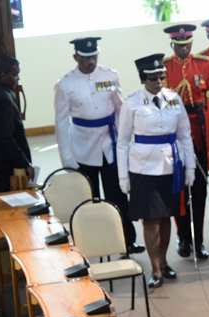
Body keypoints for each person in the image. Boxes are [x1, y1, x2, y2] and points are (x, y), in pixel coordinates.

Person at [54, 37, 144, 254]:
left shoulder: (109, 75)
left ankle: (127, 240)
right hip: (83, 149)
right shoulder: (65, 84)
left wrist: (127, 139)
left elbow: (119, 108)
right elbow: (61, 122)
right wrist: (67, 158)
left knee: (118, 195)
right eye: (85, 58)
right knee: (88, 198)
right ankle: (89, 244)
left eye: (94, 56)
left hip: (109, 145)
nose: (90, 61)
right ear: (76, 57)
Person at [116, 53, 195, 288]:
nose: (159, 82)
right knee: (150, 219)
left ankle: (165, 261)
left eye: (162, 76)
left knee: (166, 217)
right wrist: (123, 176)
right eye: (153, 78)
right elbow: (122, 142)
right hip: (142, 168)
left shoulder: (174, 99)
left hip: (171, 166)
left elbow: (184, 135)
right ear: (143, 78)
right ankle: (156, 268)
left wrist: (189, 167)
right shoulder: (131, 104)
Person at [163, 24, 209, 260]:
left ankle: (199, 242)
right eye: (179, 46)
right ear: (173, 45)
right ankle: (183, 238)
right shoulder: (165, 67)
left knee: (200, 190)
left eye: (187, 45)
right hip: (175, 133)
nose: (184, 49)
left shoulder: (204, 64)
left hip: (200, 131)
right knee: (179, 189)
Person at [0, 55, 33, 195]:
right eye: (15, 75)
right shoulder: (3, 98)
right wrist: (24, 163)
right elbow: (5, 138)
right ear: (3, 75)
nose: (18, 79)